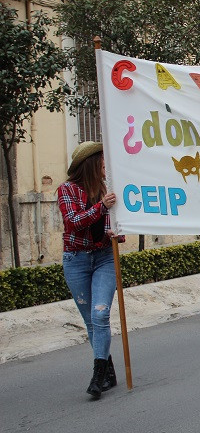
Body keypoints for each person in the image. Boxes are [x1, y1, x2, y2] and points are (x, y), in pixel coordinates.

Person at [58, 141, 123, 400]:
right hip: (77, 260)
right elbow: (73, 223)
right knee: (90, 322)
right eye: (102, 160)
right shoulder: (67, 190)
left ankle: (98, 376)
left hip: (105, 257)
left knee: (100, 315)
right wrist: (102, 207)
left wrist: (117, 233)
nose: (106, 165)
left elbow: (116, 226)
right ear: (92, 163)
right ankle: (108, 369)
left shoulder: (107, 190)